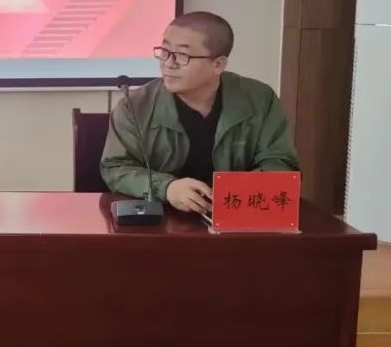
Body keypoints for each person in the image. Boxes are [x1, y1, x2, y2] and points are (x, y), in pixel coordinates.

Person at [100, 11, 299, 213]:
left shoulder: (259, 100)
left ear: (218, 65)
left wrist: (237, 191)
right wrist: (167, 188)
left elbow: (280, 163)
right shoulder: (135, 105)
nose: (168, 63)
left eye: (182, 55)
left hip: (235, 214)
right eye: (165, 51)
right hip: (161, 215)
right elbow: (115, 167)